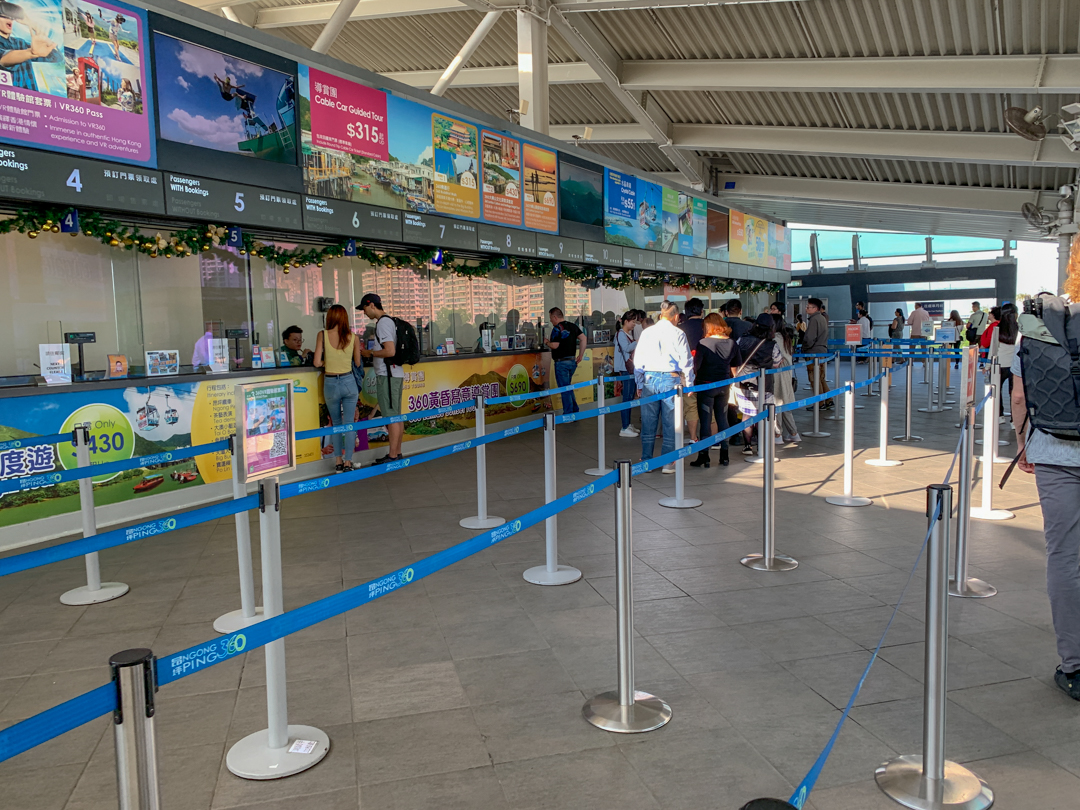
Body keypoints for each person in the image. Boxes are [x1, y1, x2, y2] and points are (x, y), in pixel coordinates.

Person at [1009, 294, 1080, 700]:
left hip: (1054, 453)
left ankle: (1074, 665)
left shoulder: (1040, 328)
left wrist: (1023, 444)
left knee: (1063, 556)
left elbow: (1019, 397)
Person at [634, 301, 693, 473]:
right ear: (676, 316)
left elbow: (638, 360)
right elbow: (686, 361)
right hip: (671, 378)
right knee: (670, 423)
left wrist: (639, 383)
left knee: (648, 421)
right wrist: (688, 384)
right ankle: (668, 462)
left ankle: (646, 461)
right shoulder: (678, 333)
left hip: (649, 378)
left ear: (661, 315)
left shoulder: (647, 332)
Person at [313, 304, 362, 472]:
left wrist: (329, 362)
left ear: (330, 318)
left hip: (331, 383)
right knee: (349, 424)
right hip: (349, 382)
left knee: (336, 423)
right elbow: (357, 362)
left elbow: (316, 362)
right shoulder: (353, 337)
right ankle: (349, 462)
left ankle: (338, 462)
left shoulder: (322, 335)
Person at [358, 293, 405, 464]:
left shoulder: (383, 323)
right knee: (396, 415)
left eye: (364, 309)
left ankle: (393, 455)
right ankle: (397, 452)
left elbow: (390, 351)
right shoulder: (388, 321)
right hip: (393, 374)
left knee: (390, 416)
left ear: (371, 305)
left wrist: (369, 352)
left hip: (388, 375)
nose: (364, 313)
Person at [690, 314, 742, 468]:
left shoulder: (703, 343)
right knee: (722, 418)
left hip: (706, 385)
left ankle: (704, 457)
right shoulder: (731, 342)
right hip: (724, 385)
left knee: (705, 420)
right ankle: (724, 455)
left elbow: (696, 366)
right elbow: (735, 366)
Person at [735, 314, 783, 455]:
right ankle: (763, 446)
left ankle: (748, 446)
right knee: (764, 415)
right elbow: (776, 363)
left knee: (747, 414)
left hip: (743, 383)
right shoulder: (771, 345)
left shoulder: (742, 340)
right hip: (764, 384)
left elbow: (736, 358)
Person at [0, 3, 60, 92]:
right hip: (7, 101)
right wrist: (30, 53)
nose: (10, 19)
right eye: (4, 16)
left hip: (30, 100)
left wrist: (33, 25)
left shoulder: (20, 43)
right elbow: (4, 58)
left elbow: (56, 57)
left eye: (11, 17)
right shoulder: (25, 49)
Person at [545, 307, 586, 415]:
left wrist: (546, 342)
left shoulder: (557, 328)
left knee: (565, 389)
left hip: (561, 362)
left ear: (555, 317)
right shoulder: (572, 326)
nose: (550, 321)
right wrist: (581, 354)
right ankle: (575, 410)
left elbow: (554, 345)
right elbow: (583, 338)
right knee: (568, 387)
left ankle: (568, 414)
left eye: (550, 318)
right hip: (572, 361)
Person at [773, 316, 801, 445]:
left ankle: (777, 434)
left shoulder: (775, 338)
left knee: (777, 403)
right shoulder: (786, 337)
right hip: (786, 373)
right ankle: (793, 433)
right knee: (785, 405)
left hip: (777, 373)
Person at [681, 298, 706, 443]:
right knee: (709, 405)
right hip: (706, 371)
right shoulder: (708, 326)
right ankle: (712, 439)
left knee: (690, 406)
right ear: (701, 311)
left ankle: (693, 437)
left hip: (687, 372)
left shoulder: (681, 328)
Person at [803, 297, 832, 410]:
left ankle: (819, 403)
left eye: (808, 307)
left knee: (814, 378)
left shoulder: (814, 320)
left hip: (813, 352)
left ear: (815, 308)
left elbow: (810, 338)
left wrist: (804, 348)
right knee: (821, 378)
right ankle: (828, 399)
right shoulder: (822, 318)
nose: (806, 309)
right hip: (822, 351)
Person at [615, 311, 639, 437]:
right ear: (626, 321)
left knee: (629, 396)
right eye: (633, 321)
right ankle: (624, 427)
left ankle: (627, 424)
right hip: (626, 369)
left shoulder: (626, 334)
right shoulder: (621, 334)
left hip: (628, 368)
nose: (634, 324)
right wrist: (637, 341)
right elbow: (627, 348)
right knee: (627, 398)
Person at [995, 302, 1019, 419]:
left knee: (996, 392)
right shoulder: (1019, 329)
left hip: (999, 364)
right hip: (1014, 366)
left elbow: (993, 350)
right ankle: (1014, 420)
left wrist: (988, 366)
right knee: (1014, 393)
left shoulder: (997, 329)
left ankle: (1000, 416)